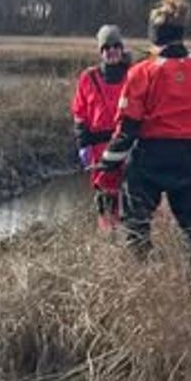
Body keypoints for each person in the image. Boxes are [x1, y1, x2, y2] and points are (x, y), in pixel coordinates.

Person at [95, 0, 191, 299]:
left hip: (150, 156)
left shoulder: (142, 72)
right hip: (188, 155)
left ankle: (142, 290)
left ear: (153, 35)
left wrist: (108, 161)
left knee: (136, 227)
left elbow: (128, 129)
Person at [71, 24, 131, 230]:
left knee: (135, 196)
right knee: (106, 200)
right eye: (106, 47)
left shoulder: (134, 75)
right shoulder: (88, 78)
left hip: (129, 145)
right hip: (99, 151)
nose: (111, 51)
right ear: (100, 51)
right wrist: (82, 144)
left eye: (116, 46)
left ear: (122, 49)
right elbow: (79, 114)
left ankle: (139, 245)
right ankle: (108, 245)